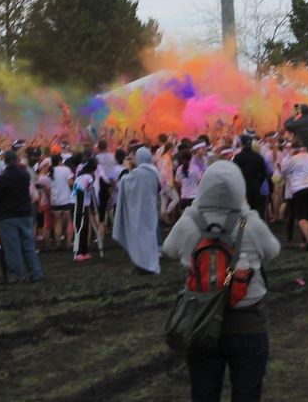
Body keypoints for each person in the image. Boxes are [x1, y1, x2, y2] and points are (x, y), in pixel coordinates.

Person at [163, 160, 281, 402]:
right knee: (247, 393)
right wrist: (245, 211)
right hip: (248, 321)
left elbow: (169, 249)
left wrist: (194, 210)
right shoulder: (249, 222)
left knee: (204, 392)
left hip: (201, 321)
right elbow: (273, 250)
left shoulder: (189, 222)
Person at [0, 150, 43, 283]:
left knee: (13, 248)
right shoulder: (24, 175)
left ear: (5, 161)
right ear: (17, 160)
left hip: (8, 216)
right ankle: (36, 273)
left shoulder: (1, 179)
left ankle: (19, 275)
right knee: (29, 245)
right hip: (25, 214)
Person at [112, 146, 161, 275]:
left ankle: (143, 265)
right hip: (150, 208)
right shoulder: (154, 171)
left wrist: (128, 168)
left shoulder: (138, 173)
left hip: (139, 210)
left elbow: (125, 182)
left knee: (140, 237)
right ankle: (150, 263)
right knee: (150, 236)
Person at [280, 138, 308, 251]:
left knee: (301, 217)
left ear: (293, 149)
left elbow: (283, 173)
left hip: (299, 188)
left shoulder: (293, 159)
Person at [232, 133, 268, 218]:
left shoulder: (238, 157)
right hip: (256, 189)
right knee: (257, 212)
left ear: (241, 144)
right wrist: (258, 184)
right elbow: (263, 174)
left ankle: (243, 229)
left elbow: (235, 173)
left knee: (245, 212)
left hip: (243, 189)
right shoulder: (259, 157)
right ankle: (257, 229)